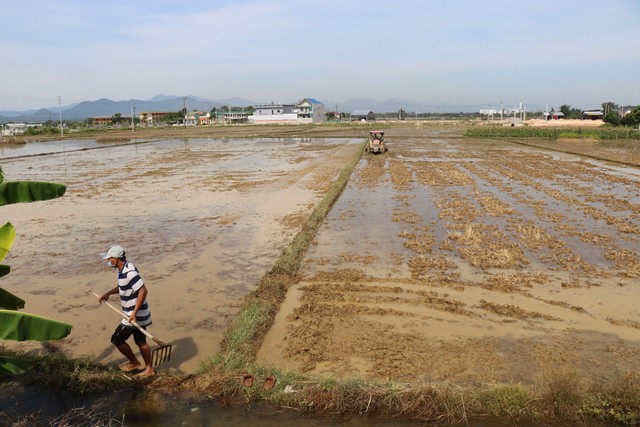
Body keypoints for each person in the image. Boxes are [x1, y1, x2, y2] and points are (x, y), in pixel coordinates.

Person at [98, 244, 155, 377]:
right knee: (140, 341)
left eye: (109, 259)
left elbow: (143, 291)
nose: (108, 261)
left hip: (135, 314)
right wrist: (108, 293)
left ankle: (134, 362)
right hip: (137, 313)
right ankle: (149, 369)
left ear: (116, 259)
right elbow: (122, 287)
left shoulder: (130, 273)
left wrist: (134, 312)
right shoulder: (123, 270)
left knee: (117, 339)